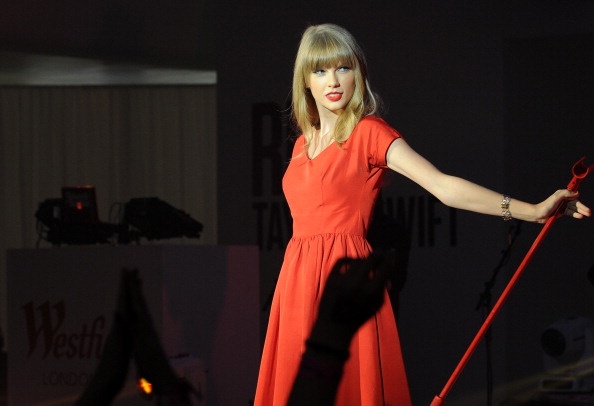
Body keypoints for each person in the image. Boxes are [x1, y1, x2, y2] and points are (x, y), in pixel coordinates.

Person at [253, 23, 590, 406]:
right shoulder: (301, 145)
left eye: (343, 67)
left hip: (346, 280)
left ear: (357, 74)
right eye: (320, 70)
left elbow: (442, 186)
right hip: (296, 283)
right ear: (305, 80)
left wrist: (532, 211)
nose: (333, 80)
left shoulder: (368, 132)